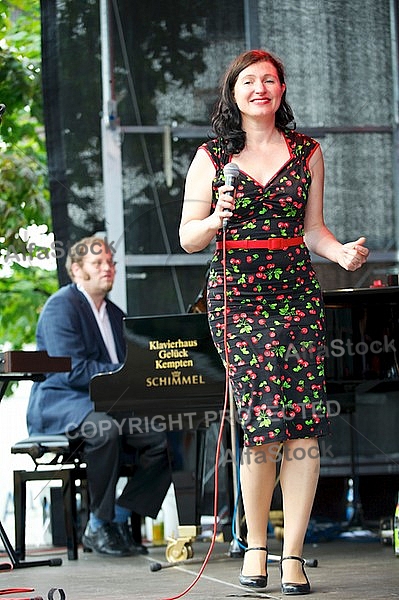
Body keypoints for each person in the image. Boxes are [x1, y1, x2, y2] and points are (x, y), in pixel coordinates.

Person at [179, 50, 368, 594]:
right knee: (263, 423)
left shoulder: (308, 153)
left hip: (296, 295)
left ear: (282, 90)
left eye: (269, 80)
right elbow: (188, 237)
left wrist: (340, 255)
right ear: (232, 93)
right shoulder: (212, 157)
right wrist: (217, 216)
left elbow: (314, 229)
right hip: (237, 297)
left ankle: (293, 556)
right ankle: (255, 547)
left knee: (303, 424)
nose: (259, 88)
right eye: (248, 81)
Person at [27, 236, 172, 557]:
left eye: (111, 262)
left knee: (161, 438)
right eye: (98, 263)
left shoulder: (116, 313)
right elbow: (72, 370)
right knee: (103, 430)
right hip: (61, 401)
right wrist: (126, 371)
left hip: (104, 403)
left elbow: (131, 367)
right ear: (77, 270)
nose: (108, 268)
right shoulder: (60, 306)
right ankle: (96, 523)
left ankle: (119, 517)